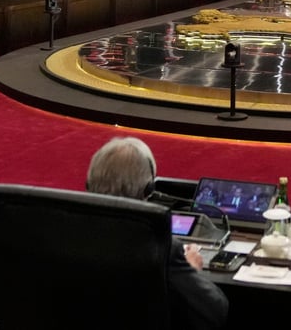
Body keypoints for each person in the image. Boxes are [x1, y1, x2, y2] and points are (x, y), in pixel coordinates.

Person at [85, 138, 228, 330]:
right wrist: (192, 270)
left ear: (88, 183)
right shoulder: (161, 248)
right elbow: (215, 310)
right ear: (149, 190)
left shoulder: (62, 232)